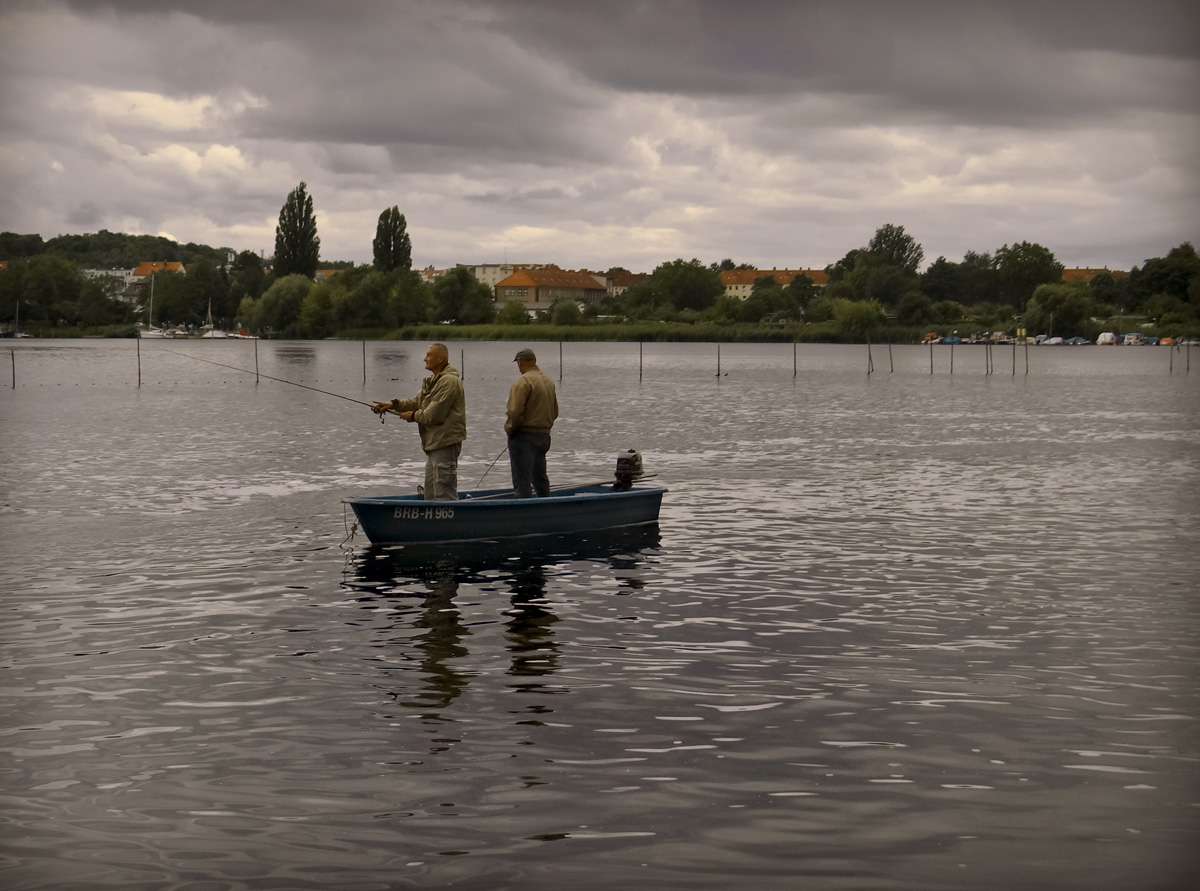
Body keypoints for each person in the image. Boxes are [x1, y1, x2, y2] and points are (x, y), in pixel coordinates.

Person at [372, 343, 465, 500]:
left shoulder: (449, 382)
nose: (424, 359)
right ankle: (433, 524)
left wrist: (413, 416)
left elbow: (434, 415)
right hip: (434, 445)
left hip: (445, 443)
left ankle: (450, 524)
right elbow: (416, 402)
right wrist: (393, 405)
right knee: (430, 496)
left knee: (444, 495)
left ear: (440, 358)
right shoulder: (434, 380)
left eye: (429, 355)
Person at [505, 347, 558, 497]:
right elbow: (555, 412)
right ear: (535, 361)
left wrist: (510, 429)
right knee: (540, 478)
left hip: (524, 438)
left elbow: (514, 412)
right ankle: (545, 509)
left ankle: (523, 514)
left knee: (523, 483)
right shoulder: (549, 382)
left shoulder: (522, 382)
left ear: (520, 363)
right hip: (544, 437)